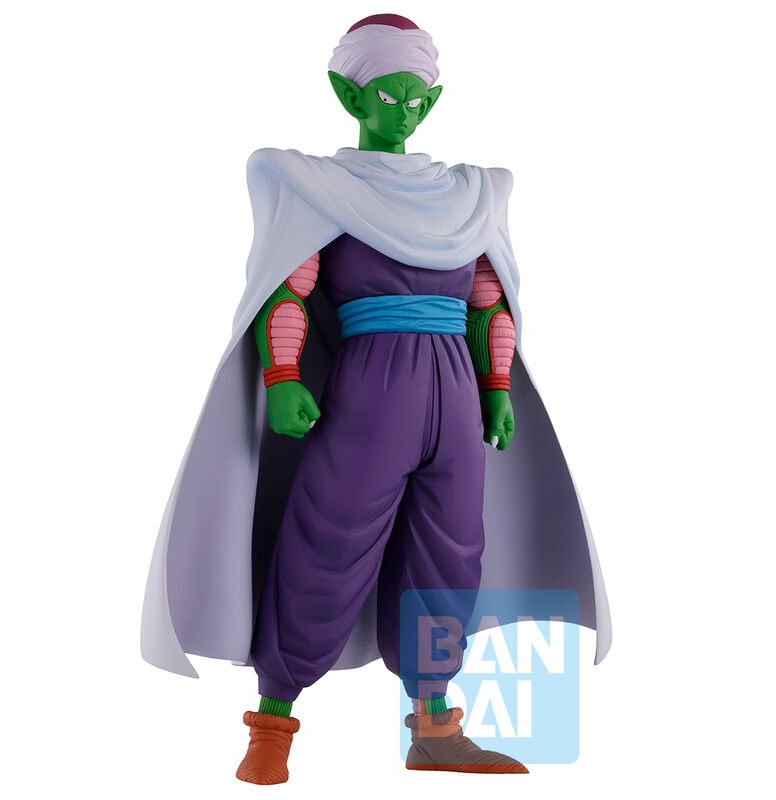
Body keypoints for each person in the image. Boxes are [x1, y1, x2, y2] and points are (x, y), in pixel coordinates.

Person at [141, 13, 611, 786]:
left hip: (455, 397)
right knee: (326, 543)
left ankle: (434, 726)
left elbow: (488, 300)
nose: (406, 111)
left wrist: (497, 387)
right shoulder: (321, 188)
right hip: (368, 391)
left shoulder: (467, 194)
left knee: (450, 554)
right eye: (390, 95)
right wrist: (283, 378)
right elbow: (288, 287)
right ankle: (273, 723)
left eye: (420, 98)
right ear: (349, 94)